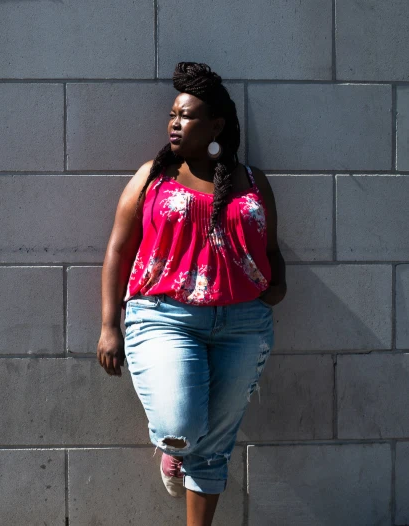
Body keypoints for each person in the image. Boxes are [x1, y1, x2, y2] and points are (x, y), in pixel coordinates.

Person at [96, 62, 287, 526]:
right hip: (164, 317)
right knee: (181, 429)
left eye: (188, 116)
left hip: (243, 323)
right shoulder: (152, 178)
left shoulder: (253, 180)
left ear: (217, 126)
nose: (175, 124)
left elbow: (271, 247)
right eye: (172, 115)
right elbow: (119, 249)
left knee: (215, 448)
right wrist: (108, 325)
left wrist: (277, 283)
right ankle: (173, 452)